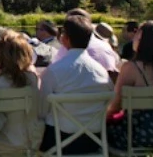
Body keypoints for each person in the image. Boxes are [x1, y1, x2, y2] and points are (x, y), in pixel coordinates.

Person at [39, 15, 113, 154]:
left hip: (58, 141)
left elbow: (42, 110)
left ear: (65, 39)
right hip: (93, 141)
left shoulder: (54, 71)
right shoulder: (101, 72)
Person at [104, 21, 153, 151]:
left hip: (136, 137)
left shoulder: (131, 68)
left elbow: (115, 106)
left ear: (141, 39)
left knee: (103, 129)